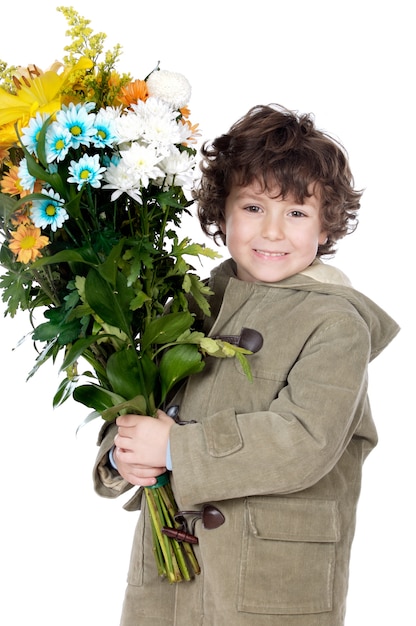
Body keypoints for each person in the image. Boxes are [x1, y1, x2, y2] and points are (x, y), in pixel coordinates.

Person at [93, 104, 399, 625]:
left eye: (297, 213)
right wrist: (125, 456)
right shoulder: (189, 302)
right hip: (173, 575)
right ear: (221, 213)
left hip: (272, 580)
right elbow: (140, 395)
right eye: (254, 207)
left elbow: (305, 439)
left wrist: (177, 448)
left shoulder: (336, 324)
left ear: (326, 228)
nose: (273, 232)